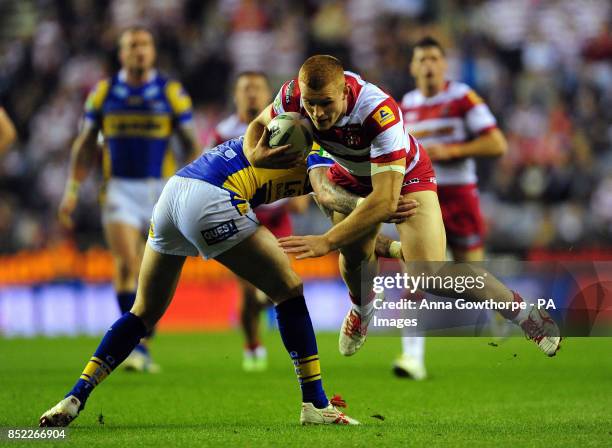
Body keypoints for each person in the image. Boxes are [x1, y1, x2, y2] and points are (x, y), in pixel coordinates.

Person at [40, 133, 420, 427]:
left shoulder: (303, 146)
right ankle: (316, 405)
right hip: (212, 198)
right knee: (288, 289)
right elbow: (329, 196)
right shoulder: (321, 146)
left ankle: (76, 395)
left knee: (144, 311)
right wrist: (378, 205)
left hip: (174, 195)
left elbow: (339, 223)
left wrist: (393, 249)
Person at [243, 55, 559, 360]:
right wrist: (256, 156)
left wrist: (326, 240)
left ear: (344, 91)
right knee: (353, 257)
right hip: (349, 172)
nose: (317, 113)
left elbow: (386, 201)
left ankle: (525, 314)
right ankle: (362, 308)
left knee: (430, 274)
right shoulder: (293, 96)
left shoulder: (377, 111)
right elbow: (257, 126)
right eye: (310, 104)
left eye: (326, 103)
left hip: (404, 176)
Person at [57, 27, 200, 372]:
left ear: (152, 52)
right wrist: (71, 191)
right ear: (121, 54)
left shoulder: (171, 92)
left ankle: (141, 343)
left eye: (145, 45)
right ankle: (134, 348)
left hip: (160, 189)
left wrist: (195, 186)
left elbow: (191, 143)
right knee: (126, 263)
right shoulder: (104, 93)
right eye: (132, 46)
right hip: (119, 188)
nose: (139, 51)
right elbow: (85, 144)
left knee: (153, 270)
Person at [392, 36, 509, 379]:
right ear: (413, 67)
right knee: (415, 273)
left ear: (444, 64)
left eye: (433, 58)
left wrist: (451, 152)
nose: (428, 64)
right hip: (421, 197)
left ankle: (504, 307)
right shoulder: (403, 107)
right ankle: (412, 358)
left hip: (459, 196)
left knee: (472, 278)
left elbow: (497, 143)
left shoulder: (462, 98)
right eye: (421, 59)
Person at [210, 71, 310, 372]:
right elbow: (211, 171)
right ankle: (253, 344)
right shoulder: (222, 131)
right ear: (236, 95)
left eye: (257, 88)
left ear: (268, 93)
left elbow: (302, 157)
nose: (252, 94)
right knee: (249, 290)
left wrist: (301, 192)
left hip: (276, 216)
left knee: (275, 285)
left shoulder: (284, 123)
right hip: (241, 214)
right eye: (245, 88)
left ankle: (258, 333)